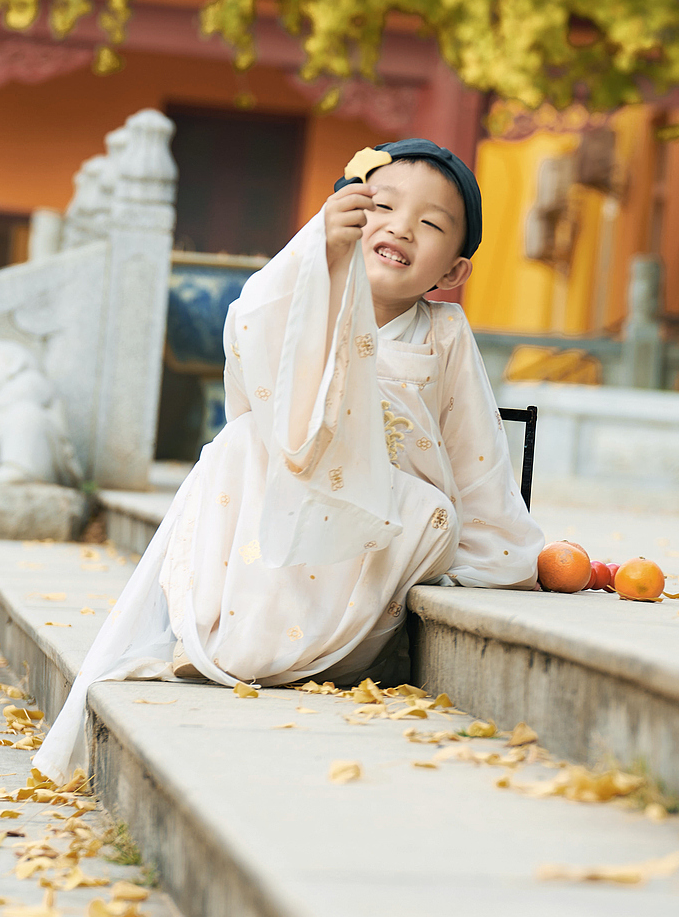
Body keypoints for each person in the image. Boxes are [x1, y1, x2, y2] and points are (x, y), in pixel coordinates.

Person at [36, 139, 543, 783]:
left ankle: (319, 648)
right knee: (239, 445)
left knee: (431, 510)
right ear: (344, 214)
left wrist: (503, 551)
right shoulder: (301, 299)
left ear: (453, 272)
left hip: (375, 531)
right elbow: (255, 368)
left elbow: (474, 457)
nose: (401, 227)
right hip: (288, 526)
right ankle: (235, 637)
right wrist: (321, 258)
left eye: (433, 223)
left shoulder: (443, 334)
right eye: (381, 205)